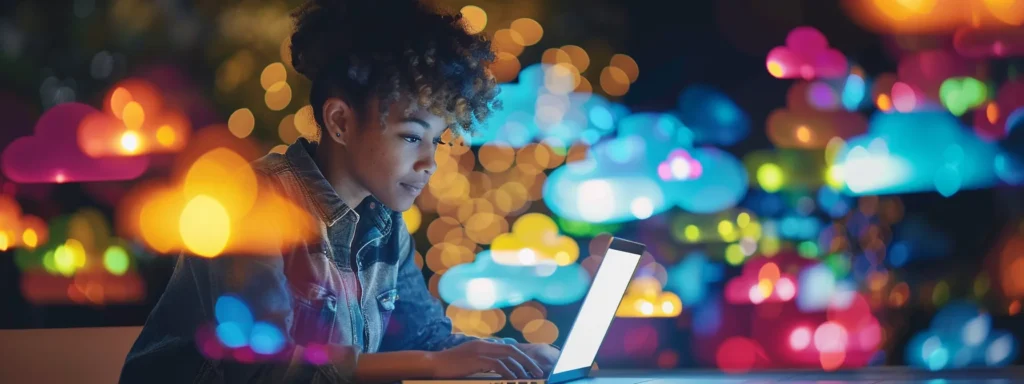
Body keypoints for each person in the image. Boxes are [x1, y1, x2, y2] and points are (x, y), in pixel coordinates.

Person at [119, 0, 560, 382]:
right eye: (410, 136)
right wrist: (430, 363)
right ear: (340, 122)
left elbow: (427, 339)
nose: (430, 162)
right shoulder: (254, 201)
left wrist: (520, 355)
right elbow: (264, 368)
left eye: (438, 140)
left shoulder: (385, 224)